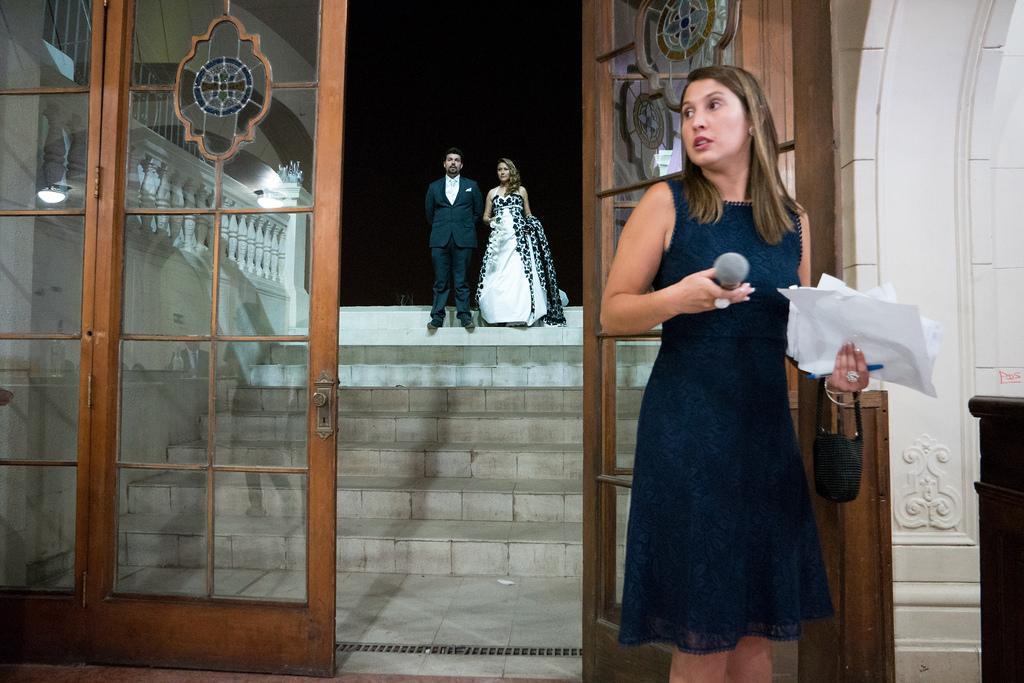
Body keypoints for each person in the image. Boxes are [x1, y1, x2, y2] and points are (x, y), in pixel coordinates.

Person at [601, 65, 871, 683]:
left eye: (713, 106)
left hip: (763, 438)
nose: (696, 121)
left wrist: (836, 379)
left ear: (753, 119)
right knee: (702, 635)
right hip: (688, 434)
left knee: (755, 633)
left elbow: (799, 336)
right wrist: (677, 299)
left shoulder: (792, 221)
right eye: (688, 111)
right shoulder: (666, 202)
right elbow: (613, 312)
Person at [476, 158, 566, 326]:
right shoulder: (492, 193)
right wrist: (494, 220)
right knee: (498, 275)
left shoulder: (521, 190)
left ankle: (520, 313)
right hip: (500, 240)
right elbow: (485, 217)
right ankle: (499, 313)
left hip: (519, 240)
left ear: (511, 171)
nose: (502, 172)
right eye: (499, 169)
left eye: (505, 169)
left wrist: (531, 224)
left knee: (518, 274)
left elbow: (528, 213)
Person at [424, 147, 483, 330]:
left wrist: (464, 226)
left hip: (463, 238)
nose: (453, 163)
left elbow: (478, 211)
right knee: (441, 280)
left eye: (456, 160)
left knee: (461, 280)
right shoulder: (434, 187)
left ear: (461, 165)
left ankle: (464, 316)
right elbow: (429, 213)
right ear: (444, 164)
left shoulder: (471, 185)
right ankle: (437, 317)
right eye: (450, 159)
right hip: (440, 239)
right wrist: (443, 226)